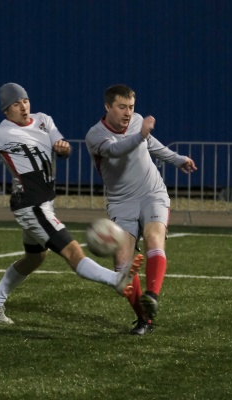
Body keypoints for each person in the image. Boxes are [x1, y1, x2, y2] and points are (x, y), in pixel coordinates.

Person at [0, 82, 143, 325]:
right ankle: (117, 279)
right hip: (31, 206)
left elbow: (61, 147)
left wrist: (63, 149)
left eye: (25, 101)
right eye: (16, 104)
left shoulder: (43, 120)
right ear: (6, 110)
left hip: (44, 203)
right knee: (73, 251)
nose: (23, 107)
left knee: (35, 258)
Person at [85, 84, 197, 335]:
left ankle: (152, 295)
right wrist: (140, 135)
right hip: (121, 202)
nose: (128, 113)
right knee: (122, 265)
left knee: (154, 237)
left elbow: (151, 144)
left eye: (131, 107)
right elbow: (116, 150)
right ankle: (145, 319)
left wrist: (177, 159)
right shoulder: (95, 135)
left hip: (152, 193)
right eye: (122, 107)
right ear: (108, 107)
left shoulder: (137, 122)